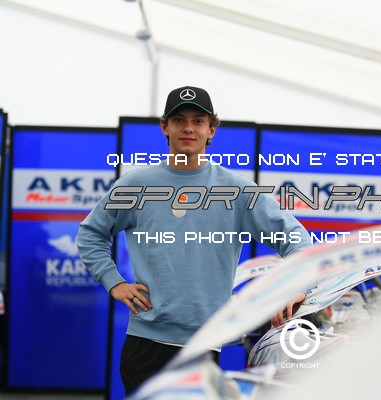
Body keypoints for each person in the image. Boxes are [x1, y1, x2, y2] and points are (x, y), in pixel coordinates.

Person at [77, 86, 311, 395]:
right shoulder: (135, 185)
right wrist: (114, 282)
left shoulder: (237, 190)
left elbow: (296, 239)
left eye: (198, 121)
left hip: (203, 345)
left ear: (211, 129)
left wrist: (295, 287)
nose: (188, 128)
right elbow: (90, 234)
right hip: (145, 344)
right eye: (179, 120)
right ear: (165, 126)